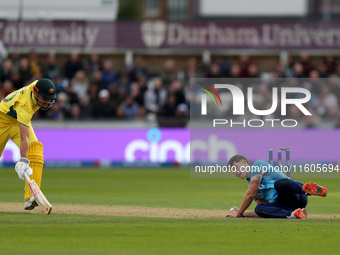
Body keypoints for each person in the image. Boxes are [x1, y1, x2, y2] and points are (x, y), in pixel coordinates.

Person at [0, 78, 56, 211]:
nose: (47, 101)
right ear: (36, 93)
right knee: (28, 146)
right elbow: (24, 137)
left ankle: (31, 197)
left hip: (16, 118)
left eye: (50, 98)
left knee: (35, 147)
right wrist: (24, 161)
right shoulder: (24, 104)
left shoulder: (37, 87)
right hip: (2, 121)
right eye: (45, 98)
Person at [226, 155, 328, 219]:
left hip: (296, 195)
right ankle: (294, 214)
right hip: (284, 206)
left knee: (280, 184)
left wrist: (239, 213)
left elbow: (250, 194)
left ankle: (308, 190)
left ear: (244, 162)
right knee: (259, 208)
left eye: (236, 167)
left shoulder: (257, 165)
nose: (236, 172)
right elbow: (264, 211)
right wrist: (243, 213)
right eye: (233, 171)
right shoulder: (252, 187)